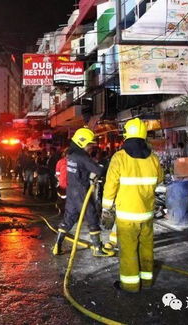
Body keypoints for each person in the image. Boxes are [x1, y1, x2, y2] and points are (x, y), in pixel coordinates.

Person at [102, 118, 163, 293]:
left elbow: (110, 185)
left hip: (127, 216)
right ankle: (147, 281)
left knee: (128, 252)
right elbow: (159, 179)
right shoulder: (153, 158)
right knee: (146, 249)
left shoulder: (119, 158)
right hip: (147, 214)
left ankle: (130, 285)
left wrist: (106, 208)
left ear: (126, 135)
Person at [52, 128, 112, 257]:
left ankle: (57, 245)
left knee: (69, 218)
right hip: (81, 191)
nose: (91, 147)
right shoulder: (82, 157)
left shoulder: (72, 155)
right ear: (82, 142)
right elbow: (99, 171)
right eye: (89, 144)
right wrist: (106, 166)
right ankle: (97, 248)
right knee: (92, 217)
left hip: (71, 190)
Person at [55, 148, 68, 214]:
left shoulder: (61, 162)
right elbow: (57, 173)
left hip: (70, 185)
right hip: (63, 185)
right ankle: (61, 210)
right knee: (62, 199)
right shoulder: (61, 162)